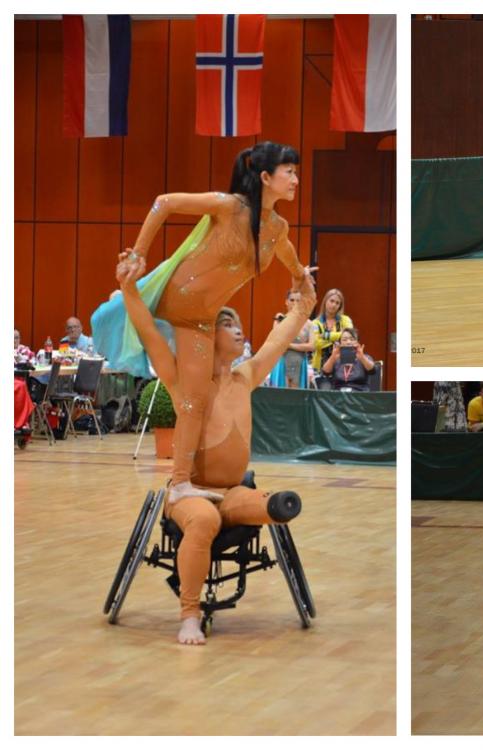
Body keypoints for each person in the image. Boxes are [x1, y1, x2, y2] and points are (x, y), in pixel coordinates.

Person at [114, 249, 315, 645]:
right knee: (205, 520)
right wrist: (129, 288)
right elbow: (150, 335)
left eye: (238, 323)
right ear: (207, 334)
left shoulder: (246, 376)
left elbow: (281, 336)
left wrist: (305, 299)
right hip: (188, 495)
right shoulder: (183, 379)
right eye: (227, 323)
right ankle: (189, 615)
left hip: (233, 492)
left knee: (276, 506)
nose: (238, 329)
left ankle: (268, 507)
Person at [91, 142, 307, 504]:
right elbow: (164, 202)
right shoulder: (228, 206)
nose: (296, 180)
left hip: (201, 320)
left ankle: (191, 477)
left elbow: (286, 253)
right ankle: (178, 484)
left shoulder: (277, 228)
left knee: (193, 399)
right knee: (191, 399)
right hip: (175, 304)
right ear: (266, 177)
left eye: (296, 172)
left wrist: (300, 276)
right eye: (289, 172)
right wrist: (139, 253)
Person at [267, 289, 312, 389]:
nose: (295, 303)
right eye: (292, 300)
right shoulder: (279, 319)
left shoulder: (309, 323)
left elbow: (312, 346)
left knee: (296, 396)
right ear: (286, 302)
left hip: (299, 361)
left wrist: (289, 345)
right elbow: (275, 341)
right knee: (280, 395)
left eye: (298, 301)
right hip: (281, 360)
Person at [309, 288, 353, 376]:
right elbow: (316, 344)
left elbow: (350, 336)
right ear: (325, 301)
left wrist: (326, 336)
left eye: (337, 303)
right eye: (331, 301)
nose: (333, 305)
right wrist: (339, 337)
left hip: (341, 364)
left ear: (340, 306)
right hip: (319, 367)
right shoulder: (315, 323)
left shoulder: (345, 320)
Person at [319, 327, 375, 391]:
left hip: (359, 395)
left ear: (357, 342)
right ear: (340, 343)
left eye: (352, 339)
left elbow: (372, 371)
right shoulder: (335, 357)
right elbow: (325, 372)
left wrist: (362, 357)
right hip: (339, 395)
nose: (348, 342)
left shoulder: (365, 357)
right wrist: (333, 357)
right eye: (344, 340)